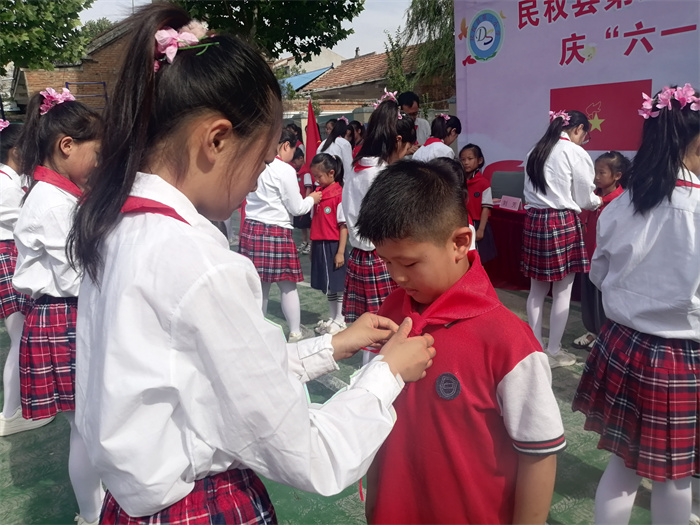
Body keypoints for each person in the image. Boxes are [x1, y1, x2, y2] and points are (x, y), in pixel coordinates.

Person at [68, 5, 436, 523]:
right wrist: (387, 376)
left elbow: (207, 372)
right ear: (216, 140)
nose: (255, 179)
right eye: (261, 162)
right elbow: (307, 452)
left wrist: (333, 345)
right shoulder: (199, 264)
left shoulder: (114, 226)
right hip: (197, 505)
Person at [358, 160, 565, 524]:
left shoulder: (508, 343)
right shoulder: (390, 313)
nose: (397, 276)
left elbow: (539, 454)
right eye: (386, 262)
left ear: (459, 242)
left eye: (408, 262)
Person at [572, 84, 700, 525]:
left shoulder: (622, 203)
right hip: (681, 357)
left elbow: (599, 273)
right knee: (674, 478)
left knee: (623, 465)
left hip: (623, 344)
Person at [13, 89, 104, 525]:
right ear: (66, 145)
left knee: (86, 427)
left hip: (62, 316)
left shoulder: (59, 196)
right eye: (97, 152)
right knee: (85, 429)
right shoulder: (53, 204)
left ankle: (94, 509)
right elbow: (75, 276)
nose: (101, 162)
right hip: (62, 316)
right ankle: (91, 514)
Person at [522, 110, 601, 368]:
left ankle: (536, 347)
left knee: (536, 290)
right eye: (584, 135)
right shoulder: (575, 153)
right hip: (561, 221)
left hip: (535, 220)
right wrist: (600, 200)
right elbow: (585, 198)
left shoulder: (536, 149)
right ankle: (554, 350)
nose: (583, 141)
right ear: (577, 129)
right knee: (562, 291)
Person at [343, 99, 415, 364]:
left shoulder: (358, 165)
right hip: (381, 258)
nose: (407, 154)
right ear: (397, 140)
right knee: (385, 328)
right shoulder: (383, 172)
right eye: (407, 149)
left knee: (369, 328)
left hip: (360, 256)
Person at [241, 129, 321, 342]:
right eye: (293, 150)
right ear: (285, 145)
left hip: (252, 229)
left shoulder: (250, 161)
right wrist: (313, 198)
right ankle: (295, 332)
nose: (293, 156)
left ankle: (257, 334)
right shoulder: (284, 170)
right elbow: (297, 208)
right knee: (287, 285)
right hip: (276, 230)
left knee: (260, 287)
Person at [0, 121, 51, 436]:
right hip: (7, 256)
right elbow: (33, 221)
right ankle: (12, 412)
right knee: (20, 338)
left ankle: (12, 410)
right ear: (17, 150)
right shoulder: (7, 187)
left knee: (17, 337)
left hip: (7, 256)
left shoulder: (9, 180)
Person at [573, 151, 630, 350]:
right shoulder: (593, 199)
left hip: (609, 261)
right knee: (588, 297)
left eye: (601, 173)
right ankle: (592, 331)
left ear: (617, 176)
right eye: (594, 172)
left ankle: (605, 334)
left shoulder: (623, 201)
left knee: (604, 299)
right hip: (588, 256)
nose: (596, 177)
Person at [309, 153, 348, 335]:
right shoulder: (318, 195)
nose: (316, 180)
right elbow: (314, 221)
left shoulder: (338, 195)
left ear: (332, 173)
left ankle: (340, 318)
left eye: (319, 176)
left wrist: (340, 251)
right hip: (319, 244)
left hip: (333, 244)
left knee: (337, 283)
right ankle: (333, 317)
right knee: (328, 284)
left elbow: (343, 226)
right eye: (314, 177)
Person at [459, 143, 497, 263]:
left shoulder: (483, 183)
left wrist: (481, 229)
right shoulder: (459, 182)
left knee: (478, 257)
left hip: (477, 224)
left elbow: (486, 207)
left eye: (470, 159)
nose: (466, 163)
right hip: (462, 222)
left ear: (479, 160)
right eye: (463, 159)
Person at [290, 147, 312, 255]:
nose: (294, 164)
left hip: (305, 202)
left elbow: (308, 187)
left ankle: (310, 243)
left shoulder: (306, 172)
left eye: (295, 161)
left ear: (301, 158)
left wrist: (306, 200)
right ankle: (304, 242)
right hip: (300, 200)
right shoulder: (297, 172)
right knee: (302, 225)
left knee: (308, 225)